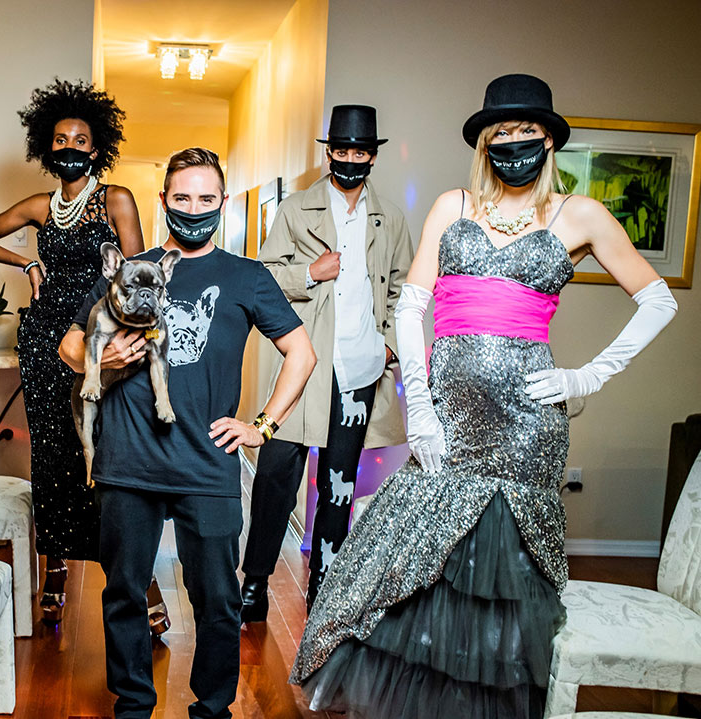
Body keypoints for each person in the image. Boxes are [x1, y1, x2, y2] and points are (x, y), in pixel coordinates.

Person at [290, 73, 678, 719]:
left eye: (528, 133)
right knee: (421, 559)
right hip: (450, 413)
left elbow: (657, 299)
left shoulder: (579, 214)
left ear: (550, 140)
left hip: (529, 423)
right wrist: (421, 406)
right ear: (485, 143)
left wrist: (586, 375)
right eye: (503, 134)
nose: (516, 144)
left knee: (498, 570)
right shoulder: (452, 204)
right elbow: (412, 305)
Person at [59, 147, 316, 719]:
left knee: (219, 600)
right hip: (128, 462)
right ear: (163, 201)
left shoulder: (247, 277)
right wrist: (111, 361)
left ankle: (213, 708)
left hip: (208, 463)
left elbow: (301, 352)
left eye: (205, 198)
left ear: (223, 204)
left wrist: (262, 425)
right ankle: (132, 705)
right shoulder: (133, 267)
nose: (193, 208)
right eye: (181, 198)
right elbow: (71, 347)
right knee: (125, 593)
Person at [0, 79, 153, 626]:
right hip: (42, 342)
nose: (69, 147)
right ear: (46, 148)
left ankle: (136, 585)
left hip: (97, 342)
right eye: (60, 139)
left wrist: (123, 339)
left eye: (80, 139)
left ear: (96, 148)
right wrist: (27, 263)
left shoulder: (114, 198)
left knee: (101, 459)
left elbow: (136, 273)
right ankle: (55, 568)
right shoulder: (39, 206)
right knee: (52, 462)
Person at [241, 105, 413, 618]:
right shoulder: (296, 209)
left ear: (373, 156)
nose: (350, 160)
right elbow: (265, 276)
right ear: (329, 151)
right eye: (341, 150)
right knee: (276, 475)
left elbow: (406, 288)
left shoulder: (391, 218)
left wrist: (390, 347)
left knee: (338, 485)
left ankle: (325, 586)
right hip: (308, 369)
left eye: (360, 152)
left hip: (361, 372)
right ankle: (254, 582)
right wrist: (312, 272)